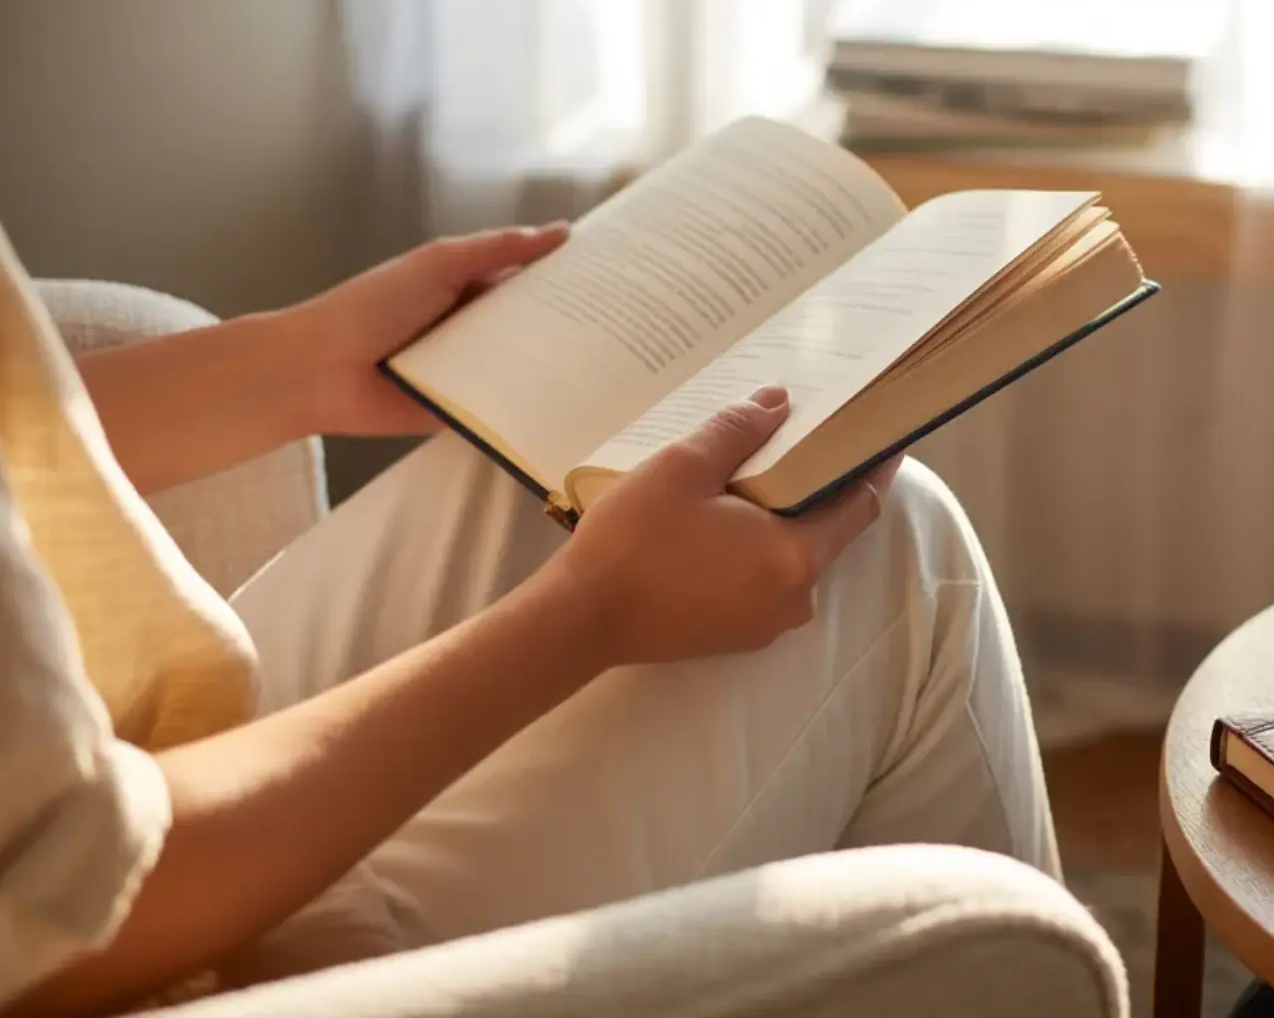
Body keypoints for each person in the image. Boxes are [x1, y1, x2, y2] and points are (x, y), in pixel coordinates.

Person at [0, 221, 1058, 1015]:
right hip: (141, 934)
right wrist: (592, 611)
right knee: (885, 545)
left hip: (92, 758)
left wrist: (304, 361)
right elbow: (75, 902)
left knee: (561, 474)